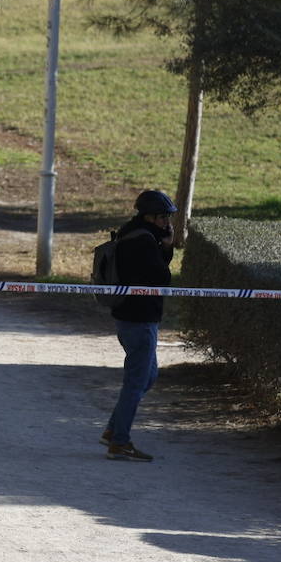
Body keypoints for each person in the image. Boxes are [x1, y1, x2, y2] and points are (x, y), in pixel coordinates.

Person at [102, 189, 177, 461]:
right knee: (136, 382)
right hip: (139, 320)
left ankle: (113, 430)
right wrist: (167, 248)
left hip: (132, 317)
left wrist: (163, 247)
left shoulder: (133, 234)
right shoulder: (144, 242)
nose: (168, 223)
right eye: (164, 217)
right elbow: (161, 277)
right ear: (150, 216)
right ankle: (120, 442)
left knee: (148, 377)